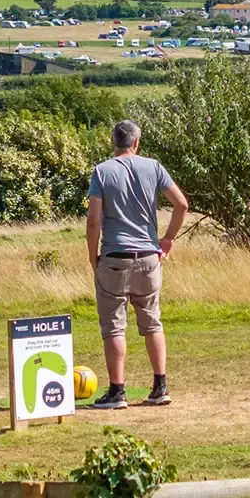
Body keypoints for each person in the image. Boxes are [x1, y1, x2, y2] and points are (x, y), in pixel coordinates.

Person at [86, 119, 189, 409]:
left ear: (114, 142)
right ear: (136, 142)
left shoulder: (102, 171)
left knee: (114, 326)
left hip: (115, 256)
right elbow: (181, 204)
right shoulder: (153, 167)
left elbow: (94, 220)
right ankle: (160, 385)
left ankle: (117, 391)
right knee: (152, 321)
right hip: (148, 257)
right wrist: (167, 239)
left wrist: (92, 256)